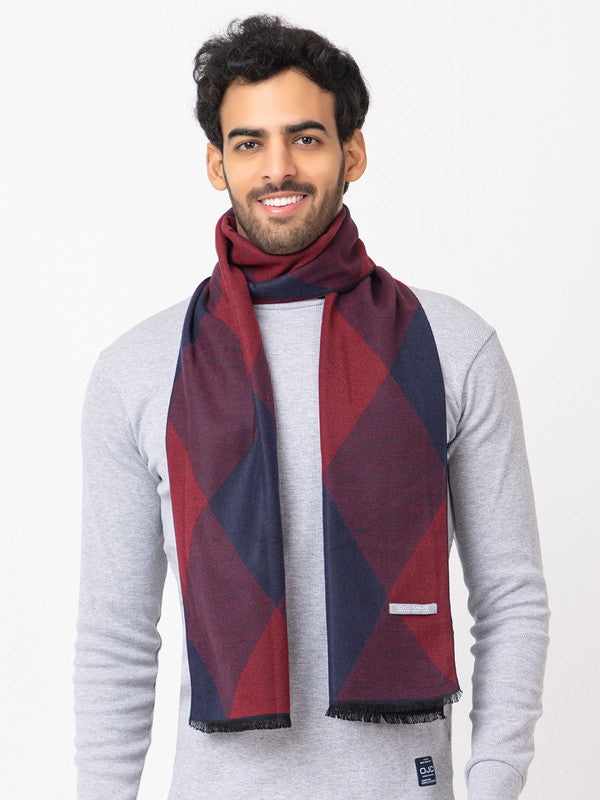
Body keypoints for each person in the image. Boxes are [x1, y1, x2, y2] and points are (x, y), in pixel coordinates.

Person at [73, 14, 550, 800]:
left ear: (352, 152)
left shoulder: (453, 346)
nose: (277, 168)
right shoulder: (139, 370)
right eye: (248, 143)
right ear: (216, 163)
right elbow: (116, 634)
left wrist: (494, 782)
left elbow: (510, 596)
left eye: (305, 137)